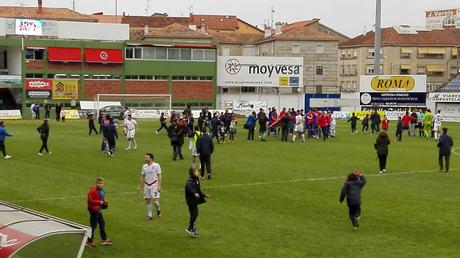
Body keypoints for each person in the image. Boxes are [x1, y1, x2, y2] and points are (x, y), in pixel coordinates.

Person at [86, 177, 112, 248]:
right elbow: (90, 200)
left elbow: (101, 199)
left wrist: (104, 203)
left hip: (98, 210)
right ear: (96, 183)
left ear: (103, 184)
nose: (100, 185)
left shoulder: (102, 190)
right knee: (93, 226)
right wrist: (100, 202)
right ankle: (89, 242)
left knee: (102, 223)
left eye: (101, 183)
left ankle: (104, 239)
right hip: (94, 210)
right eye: (99, 183)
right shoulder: (93, 191)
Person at [137, 153, 162, 220]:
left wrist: (159, 185)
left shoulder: (156, 165)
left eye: (147, 157)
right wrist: (140, 186)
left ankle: (158, 210)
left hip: (154, 185)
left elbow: (159, 175)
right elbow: (142, 176)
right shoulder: (144, 166)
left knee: (154, 200)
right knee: (148, 200)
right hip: (147, 185)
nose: (145, 158)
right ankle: (149, 215)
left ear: (151, 158)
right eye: (145, 157)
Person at [185, 166, 207, 238]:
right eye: (197, 171)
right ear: (193, 173)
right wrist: (194, 193)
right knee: (194, 214)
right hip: (191, 201)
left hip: (193, 200)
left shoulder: (196, 180)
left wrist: (203, 195)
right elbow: (188, 187)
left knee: (194, 215)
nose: (198, 172)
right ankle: (190, 228)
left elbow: (198, 190)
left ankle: (192, 228)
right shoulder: (190, 181)